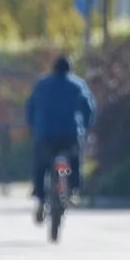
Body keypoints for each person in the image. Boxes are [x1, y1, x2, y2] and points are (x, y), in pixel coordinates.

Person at [24, 54, 96, 222]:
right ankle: (73, 190)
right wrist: (84, 126)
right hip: (70, 134)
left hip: (45, 134)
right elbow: (89, 109)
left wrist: (33, 127)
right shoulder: (78, 85)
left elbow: (30, 107)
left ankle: (40, 197)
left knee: (40, 165)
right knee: (75, 160)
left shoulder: (41, 84)